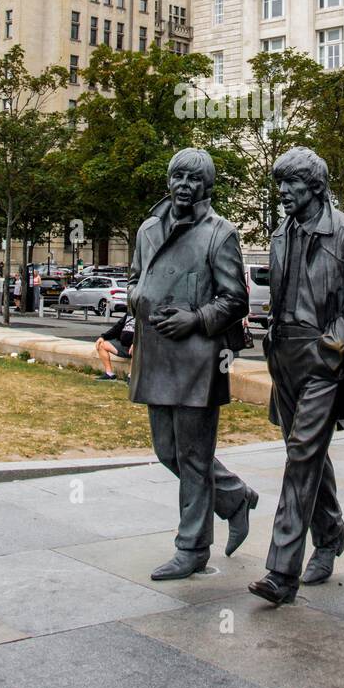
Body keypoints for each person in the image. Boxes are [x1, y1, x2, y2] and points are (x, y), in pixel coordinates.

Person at [248, 147, 344, 607]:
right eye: (280, 184)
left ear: (316, 187)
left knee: (303, 453)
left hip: (323, 358)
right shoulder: (281, 234)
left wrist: (332, 346)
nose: (283, 192)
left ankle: (281, 572)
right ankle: (330, 534)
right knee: (306, 452)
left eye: (293, 185)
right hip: (283, 356)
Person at [127, 148, 259, 580]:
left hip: (199, 358)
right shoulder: (148, 229)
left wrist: (195, 318)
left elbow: (235, 298)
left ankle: (192, 547)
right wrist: (140, 300)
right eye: (178, 176)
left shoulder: (220, 233)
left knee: (195, 458)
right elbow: (134, 280)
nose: (184, 185)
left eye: (193, 178)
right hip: (157, 354)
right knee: (168, 452)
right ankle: (235, 497)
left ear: (207, 186)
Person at [96, 310, 134, 378]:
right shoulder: (130, 313)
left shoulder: (145, 315)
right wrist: (103, 337)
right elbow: (117, 327)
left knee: (137, 348)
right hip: (123, 346)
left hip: (137, 348)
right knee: (101, 345)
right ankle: (109, 373)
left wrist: (136, 343)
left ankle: (131, 377)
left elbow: (147, 333)